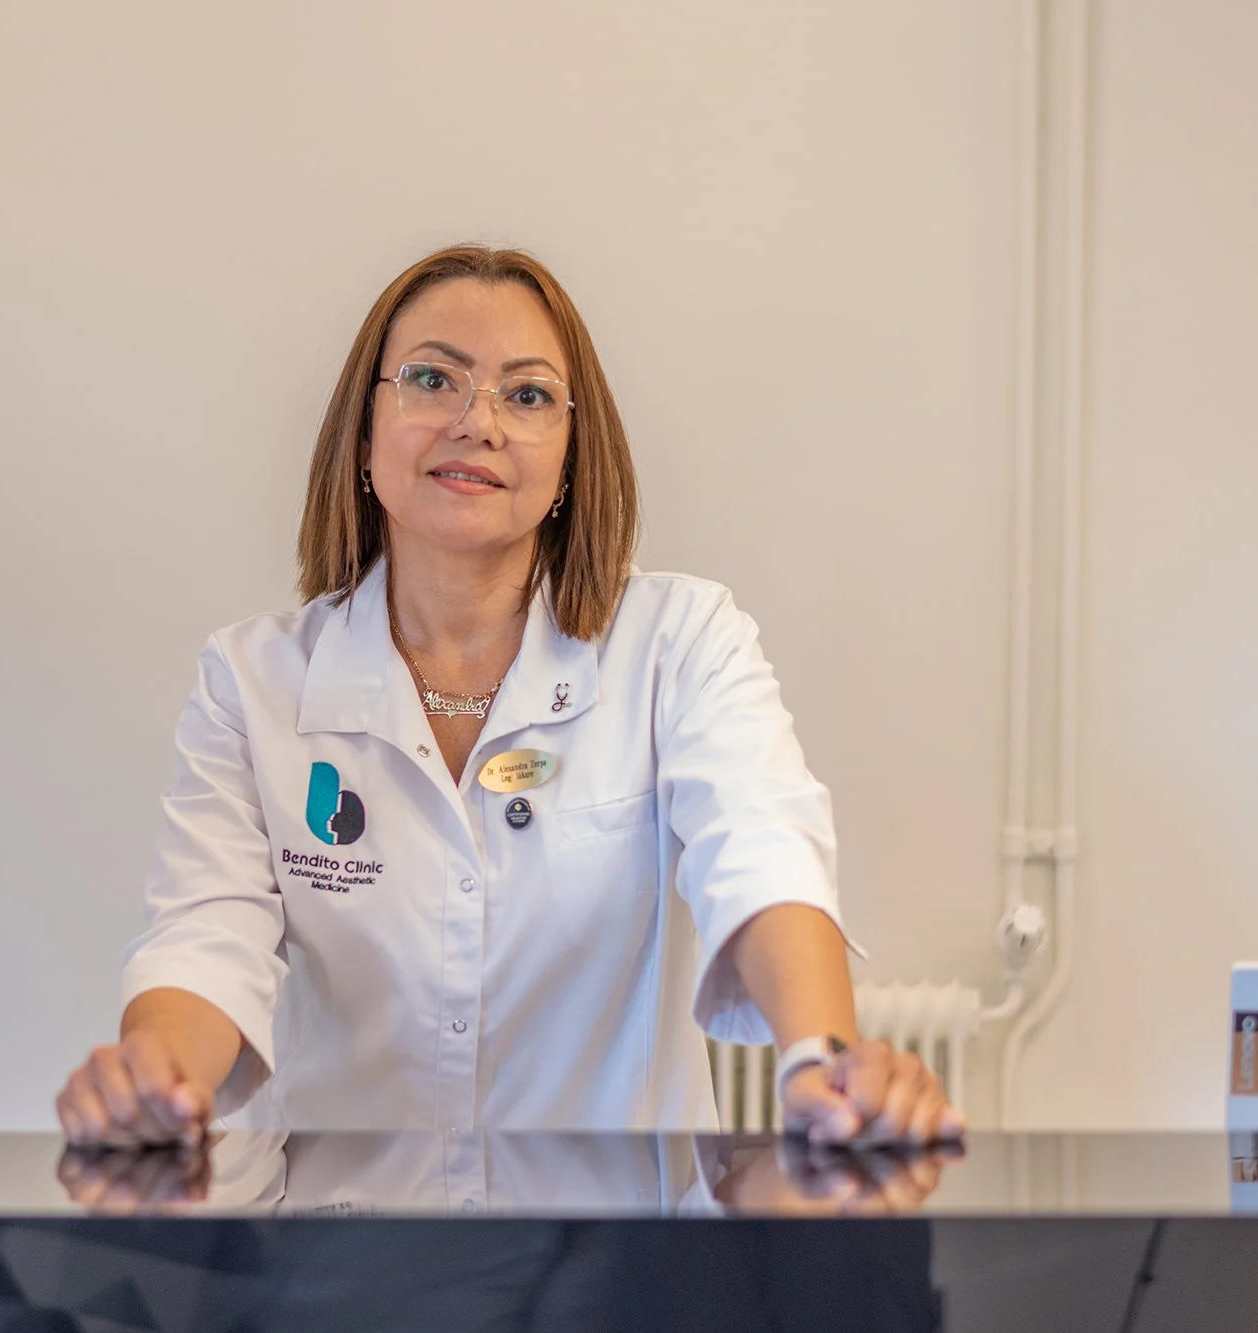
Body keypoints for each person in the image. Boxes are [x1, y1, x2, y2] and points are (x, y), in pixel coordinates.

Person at [57, 244, 963, 1147]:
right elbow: (207, 936)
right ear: (363, 434)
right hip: (346, 1228)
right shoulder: (252, 681)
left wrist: (821, 1058)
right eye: (432, 380)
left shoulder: (678, 642)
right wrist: (155, 1083)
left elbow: (760, 852)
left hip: (616, 1234)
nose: (477, 422)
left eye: (526, 395)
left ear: (570, 459)